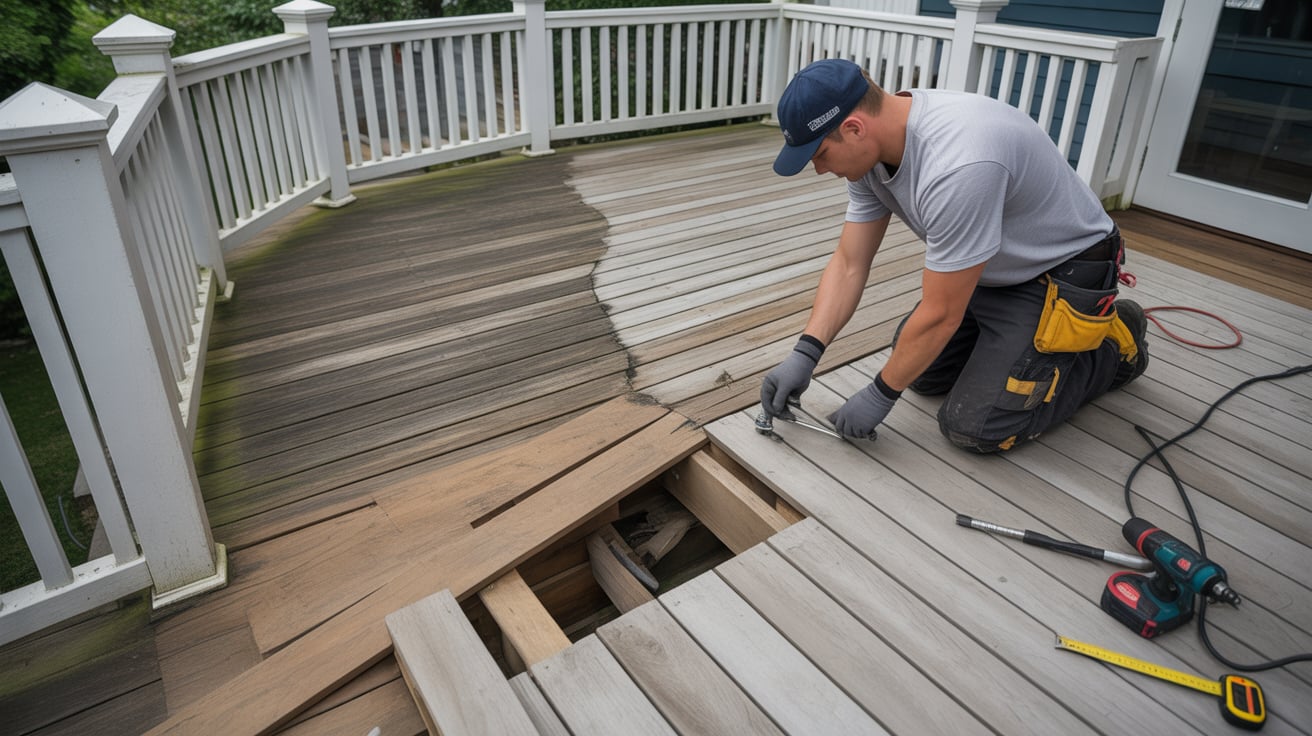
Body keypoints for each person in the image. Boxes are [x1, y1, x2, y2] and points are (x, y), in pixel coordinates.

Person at [759, 58, 1149, 453]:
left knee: (976, 427)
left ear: (854, 128)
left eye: (820, 155)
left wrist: (879, 394)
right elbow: (849, 263)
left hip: (1061, 272)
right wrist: (806, 352)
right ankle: (1011, 347)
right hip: (993, 268)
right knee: (922, 376)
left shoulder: (959, 164)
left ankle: (1115, 345)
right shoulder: (870, 156)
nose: (820, 169)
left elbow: (942, 313)